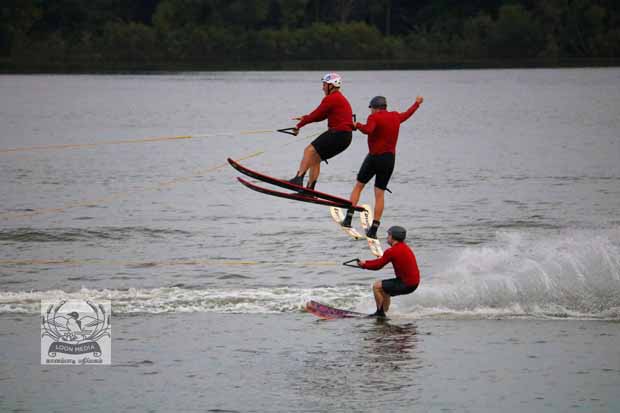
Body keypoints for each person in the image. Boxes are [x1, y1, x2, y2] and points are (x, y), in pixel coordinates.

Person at [341, 95, 423, 238]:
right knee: (379, 194)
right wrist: (417, 103)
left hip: (374, 157)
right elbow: (408, 113)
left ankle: (348, 219)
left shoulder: (374, 117)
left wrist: (356, 125)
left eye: (371, 109)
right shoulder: (395, 116)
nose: (370, 111)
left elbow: (368, 130)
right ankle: (373, 230)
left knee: (359, 186)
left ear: (374, 108)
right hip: (389, 159)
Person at [289, 73, 354, 190]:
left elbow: (315, 114)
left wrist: (299, 125)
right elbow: (321, 116)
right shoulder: (338, 98)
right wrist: (305, 118)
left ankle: (297, 179)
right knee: (315, 159)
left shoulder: (332, 98)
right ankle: (310, 189)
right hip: (345, 138)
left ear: (332, 85)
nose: (322, 87)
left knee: (308, 151)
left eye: (324, 84)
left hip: (338, 134)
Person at [358, 226, 420, 317]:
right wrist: (366, 263)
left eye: (389, 235)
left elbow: (378, 265)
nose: (387, 237)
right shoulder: (404, 247)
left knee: (377, 286)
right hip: (413, 282)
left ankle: (380, 313)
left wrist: (364, 265)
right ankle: (384, 312)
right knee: (384, 290)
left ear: (393, 237)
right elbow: (380, 261)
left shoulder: (392, 251)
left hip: (406, 283)